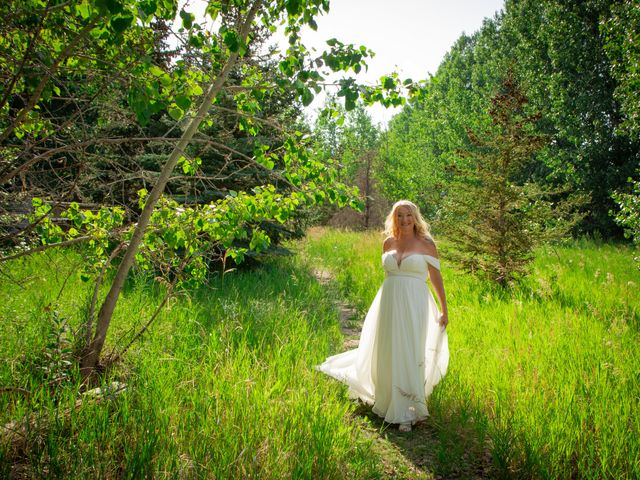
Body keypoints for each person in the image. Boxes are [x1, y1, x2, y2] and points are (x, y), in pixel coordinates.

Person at [317, 200, 449, 432]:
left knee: (409, 350)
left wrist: (444, 309)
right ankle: (388, 400)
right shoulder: (388, 242)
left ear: (415, 217)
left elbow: (436, 277)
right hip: (388, 301)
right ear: (394, 218)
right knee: (388, 348)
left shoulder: (427, 244)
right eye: (400, 216)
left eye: (409, 215)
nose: (405, 220)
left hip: (415, 302)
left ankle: (408, 410)